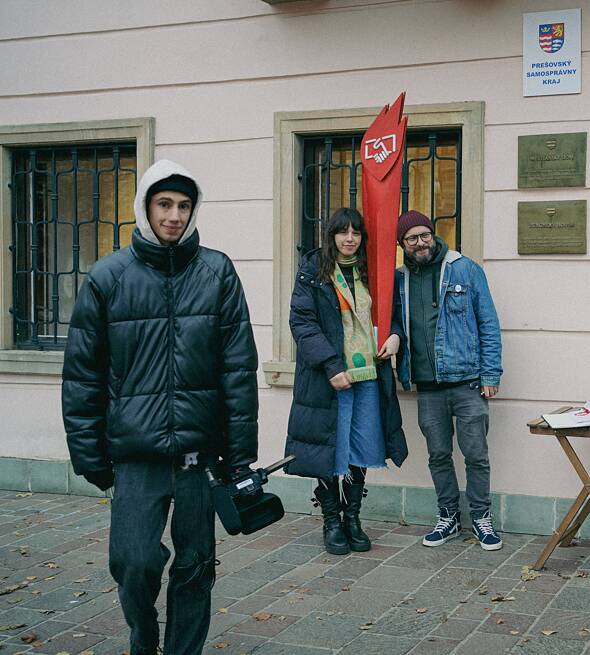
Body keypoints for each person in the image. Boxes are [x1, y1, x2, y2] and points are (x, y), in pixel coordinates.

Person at [62, 160, 259, 655]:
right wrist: (90, 455)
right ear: (146, 207)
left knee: (195, 568)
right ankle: (143, 641)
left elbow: (237, 371)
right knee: (134, 563)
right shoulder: (109, 276)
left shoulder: (217, 272)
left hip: (198, 457)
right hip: (135, 456)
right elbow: (83, 374)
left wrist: (240, 459)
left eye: (183, 206)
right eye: (164, 204)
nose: (174, 215)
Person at [285, 207, 407, 555]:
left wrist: (396, 336)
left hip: (369, 373)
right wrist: (330, 364)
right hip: (328, 378)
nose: (350, 239)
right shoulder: (313, 270)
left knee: (361, 446)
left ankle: (353, 518)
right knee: (330, 446)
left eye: (356, 233)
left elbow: (393, 315)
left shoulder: (376, 272)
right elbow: (302, 323)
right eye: (343, 232)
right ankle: (331, 520)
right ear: (332, 236)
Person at [394, 210, 504, 550]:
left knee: (476, 455)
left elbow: (488, 322)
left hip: (468, 381)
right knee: (438, 454)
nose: (420, 242)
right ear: (403, 244)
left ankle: (482, 518)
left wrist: (490, 373)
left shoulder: (464, 269)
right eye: (411, 238)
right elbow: (394, 326)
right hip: (428, 386)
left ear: (433, 234)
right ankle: (448, 516)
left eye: (424, 235)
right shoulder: (398, 280)